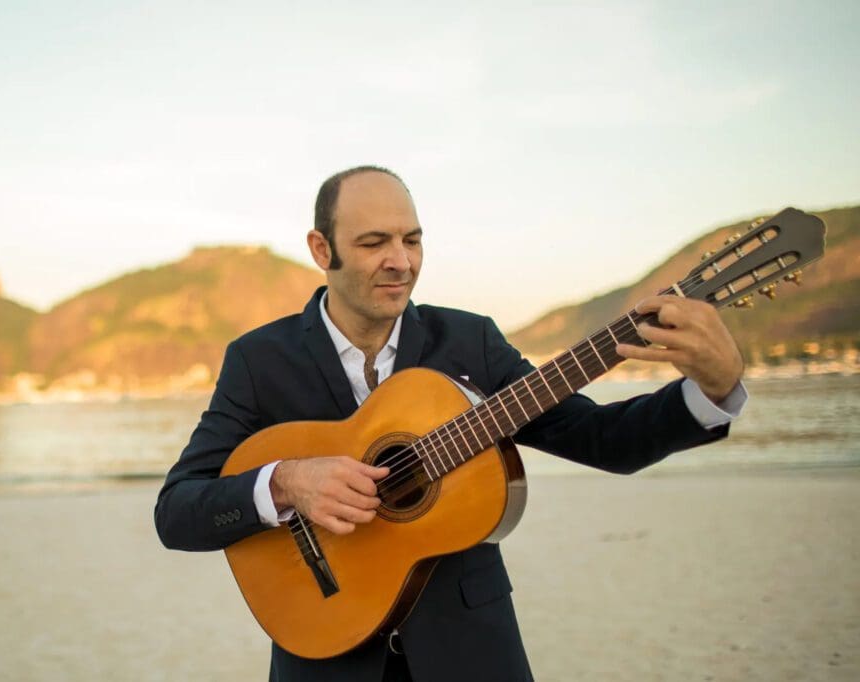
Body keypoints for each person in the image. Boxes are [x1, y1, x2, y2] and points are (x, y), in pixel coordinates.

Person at [154, 166, 746, 682]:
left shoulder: (471, 342)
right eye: (374, 242)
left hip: (471, 652)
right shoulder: (259, 361)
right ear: (321, 248)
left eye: (412, 240)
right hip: (324, 653)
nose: (401, 261)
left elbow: (602, 440)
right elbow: (179, 510)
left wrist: (713, 389)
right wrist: (285, 483)